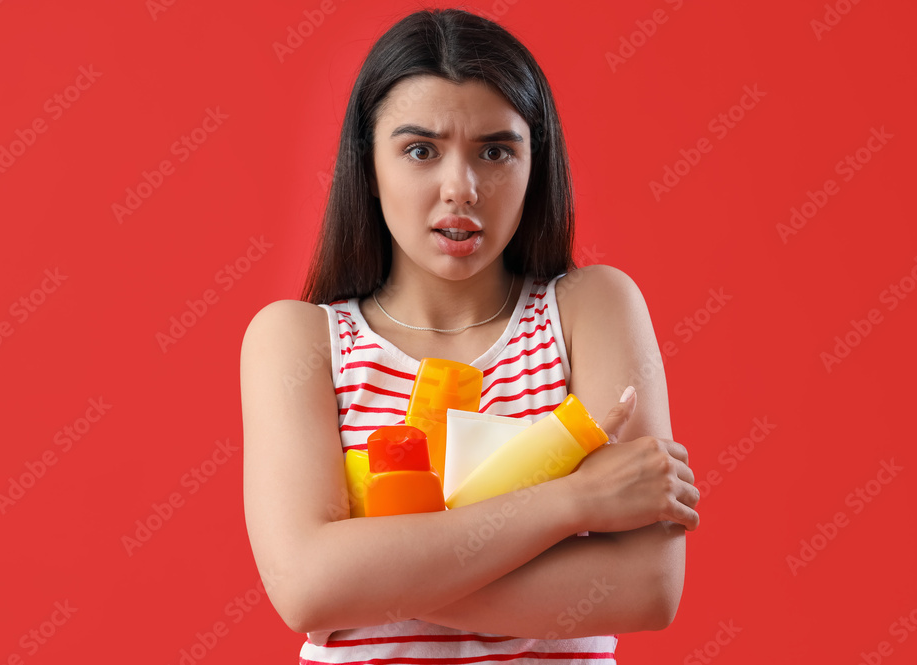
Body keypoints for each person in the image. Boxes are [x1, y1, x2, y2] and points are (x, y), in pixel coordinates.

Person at [240, 8, 700, 663]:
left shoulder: (591, 308)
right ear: (367, 164)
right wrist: (575, 500)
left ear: (534, 164)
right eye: (420, 149)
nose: (462, 188)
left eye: (496, 150)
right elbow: (306, 586)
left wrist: (370, 572)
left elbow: (648, 587)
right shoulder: (296, 339)